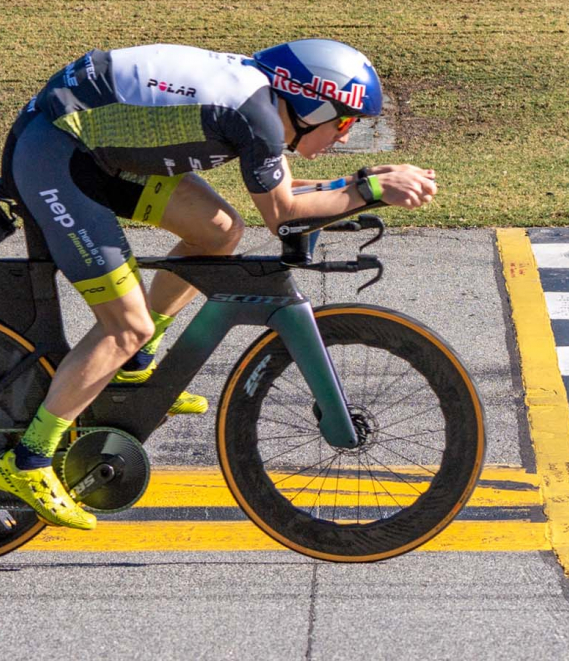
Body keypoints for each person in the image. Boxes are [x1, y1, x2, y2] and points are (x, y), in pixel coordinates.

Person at [0, 38, 437, 530]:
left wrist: (361, 182)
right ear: (311, 105)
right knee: (125, 326)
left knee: (218, 230)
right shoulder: (259, 119)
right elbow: (286, 217)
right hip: (56, 155)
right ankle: (29, 461)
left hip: (89, 147)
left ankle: (134, 367)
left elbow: (285, 194)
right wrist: (371, 190)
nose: (344, 136)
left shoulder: (264, 105)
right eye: (344, 121)